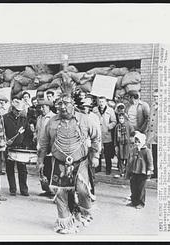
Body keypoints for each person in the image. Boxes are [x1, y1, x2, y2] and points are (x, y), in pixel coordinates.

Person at [37, 80, 101, 234]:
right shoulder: (51, 121)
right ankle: (65, 223)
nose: (63, 107)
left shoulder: (84, 119)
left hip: (81, 163)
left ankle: (82, 213)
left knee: (83, 190)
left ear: (73, 104)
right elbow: (44, 143)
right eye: (60, 104)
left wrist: (95, 156)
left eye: (66, 104)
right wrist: (40, 161)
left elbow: (96, 137)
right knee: (61, 193)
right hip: (58, 163)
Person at [3, 99, 30, 197]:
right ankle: (12, 189)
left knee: (22, 169)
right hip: (9, 147)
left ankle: (24, 189)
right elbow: (2, 131)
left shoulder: (24, 119)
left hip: (21, 148)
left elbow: (27, 133)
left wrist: (25, 145)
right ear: (12, 109)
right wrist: (6, 140)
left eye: (20, 111)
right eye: (16, 110)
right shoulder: (5, 118)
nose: (18, 113)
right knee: (10, 168)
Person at [126, 131, 153, 209]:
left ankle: (141, 203)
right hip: (134, 171)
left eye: (138, 142)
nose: (137, 143)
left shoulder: (147, 151)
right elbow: (130, 160)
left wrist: (149, 171)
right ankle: (134, 201)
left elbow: (150, 162)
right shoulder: (134, 150)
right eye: (135, 141)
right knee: (133, 187)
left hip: (142, 172)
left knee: (141, 188)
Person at [35, 99, 56, 197]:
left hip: (49, 147)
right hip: (40, 145)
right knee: (41, 168)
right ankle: (46, 189)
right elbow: (37, 130)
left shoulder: (53, 118)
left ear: (48, 107)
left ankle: (52, 190)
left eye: (44, 107)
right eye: (40, 107)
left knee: (49, 168)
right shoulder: (40, 118)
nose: (42, 109)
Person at [93, 96, 117, 175]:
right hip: (97, 134)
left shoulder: (110, 110)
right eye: (100, 102)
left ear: (106, 102)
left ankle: (108, 168)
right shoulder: (95, 110)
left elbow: (114, 121)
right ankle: (98, 167)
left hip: (107, 134)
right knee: (98, 151)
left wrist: (109, 127)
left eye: (103, 102)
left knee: (107, 153)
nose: (101, 103)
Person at [113, 113, 134, 178]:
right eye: (120, 118)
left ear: (125, 118)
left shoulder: (129, 125)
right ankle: (122, 172)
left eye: (122, 118)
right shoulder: (117, 126)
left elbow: (132, 133)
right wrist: (115, 145)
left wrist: (131, 141)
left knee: (128, 158)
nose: (121, 120)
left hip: (127, 145)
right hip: (120, 145)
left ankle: (127, 172)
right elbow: (115, 137)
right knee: (120, 159)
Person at [147, 89, 158, 178]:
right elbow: (150, 121)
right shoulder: (152, 106)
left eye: (157, 96)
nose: (155, 98)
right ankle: (155, 172)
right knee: (153, 154)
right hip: (152, 135)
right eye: (154, 96)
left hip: (159, 136)